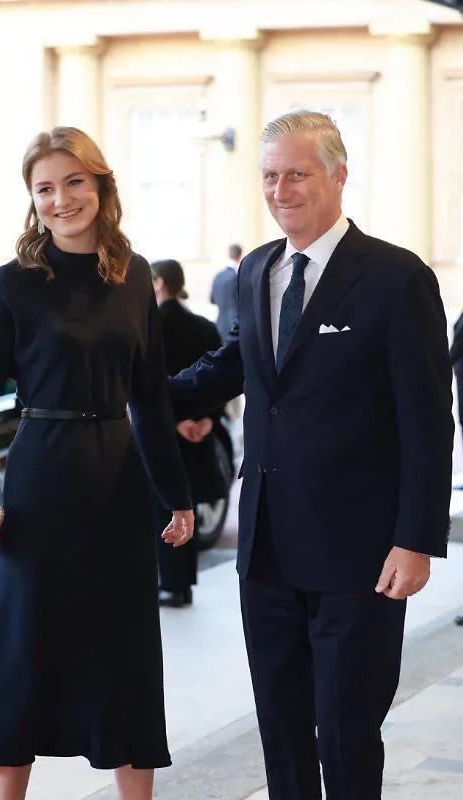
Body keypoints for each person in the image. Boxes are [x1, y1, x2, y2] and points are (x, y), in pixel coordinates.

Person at [166, 110, 454, 800]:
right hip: (266, 547)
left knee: (346, 729)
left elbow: (426, 421)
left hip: (359, 555)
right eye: (269, 175)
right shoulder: (256, 270)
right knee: (282, 729)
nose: (280, 188)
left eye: (297, 173)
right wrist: (138, 396)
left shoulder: (394, 276)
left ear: (337, 176)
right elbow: (235, 365)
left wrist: (415, 540)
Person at [0, 126, 194, 800]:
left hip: (117, 483)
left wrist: (176, 495)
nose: (61, 200)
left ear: (100, 185)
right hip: (39, 483)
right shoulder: (13, 284)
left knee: (126, 651)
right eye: (45, 189)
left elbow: (150, 395)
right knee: (20, 648)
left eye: (73, 182)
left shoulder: (134, 273)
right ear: (32, 201)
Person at [150, 258, 224, 607]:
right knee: (187, 504)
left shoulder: (150, 328)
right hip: (200, 430)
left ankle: (169, 583)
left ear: (160, 283)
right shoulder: (204, 326)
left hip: (163, 430)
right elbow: (220, 372)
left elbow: (147, 384)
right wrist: (207, 418)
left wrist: (177, 420)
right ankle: (183, 582)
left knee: (164, 505)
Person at [210, 243, 242, 342]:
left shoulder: (217, 276)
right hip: (235, 327)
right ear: (240, 255)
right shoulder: (238, 275)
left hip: (219, 324)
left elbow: (212, 299)